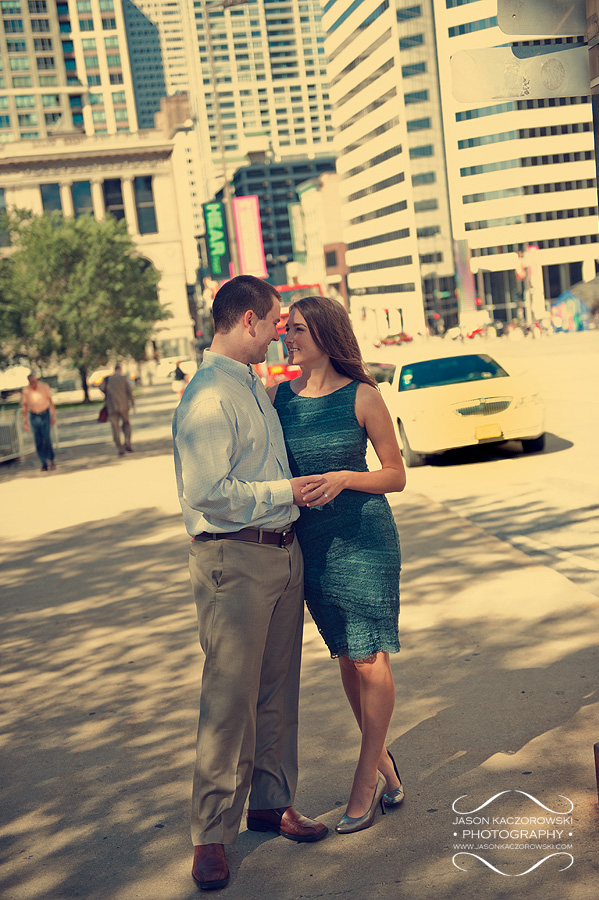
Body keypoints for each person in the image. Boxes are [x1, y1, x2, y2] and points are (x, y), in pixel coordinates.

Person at [172, 275, 328, 892]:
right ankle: (211, 836)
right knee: (229, 700)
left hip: (280, 553)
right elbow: (208, 494)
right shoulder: (211, 395)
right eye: (273, 322)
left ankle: (269, 802)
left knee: (277, 691)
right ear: (246, 323)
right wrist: (285, 493)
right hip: (233, 561)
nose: (279, 332)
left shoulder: (251, 386)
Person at [268, 295, 407, 835]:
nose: (289, 338)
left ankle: (364, 781)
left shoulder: (363, 395)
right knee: (348, 659)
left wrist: (348, 477)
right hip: (313, 547)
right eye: (285, 330)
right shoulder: (278, 398)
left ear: (325, 334)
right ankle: (388, 770)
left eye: (298, 329)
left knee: (370, 657)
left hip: (365, 539)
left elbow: (396, 475)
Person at [21, 372, 56, 472]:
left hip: (45, 415)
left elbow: (51, 401)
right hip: (34, 416)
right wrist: (25, 422)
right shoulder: (26, 391)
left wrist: (53, 416)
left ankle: (51, 460)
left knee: (46, 438)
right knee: (38, 440)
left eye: (34, 381)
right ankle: (43, 463)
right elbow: (24, 406)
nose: (33, 383)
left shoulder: (44, 387)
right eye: (31, 382)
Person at [100, 363, 135, 456]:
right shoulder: (124, 379)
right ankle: (127, 442)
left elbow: (101, 388)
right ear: (120, 369)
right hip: (124, 407)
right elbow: (130, 392)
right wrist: (133, 404)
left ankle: (120, 448)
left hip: (111, 407)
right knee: (126, 425)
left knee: (115, 428)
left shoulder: (107, 379)